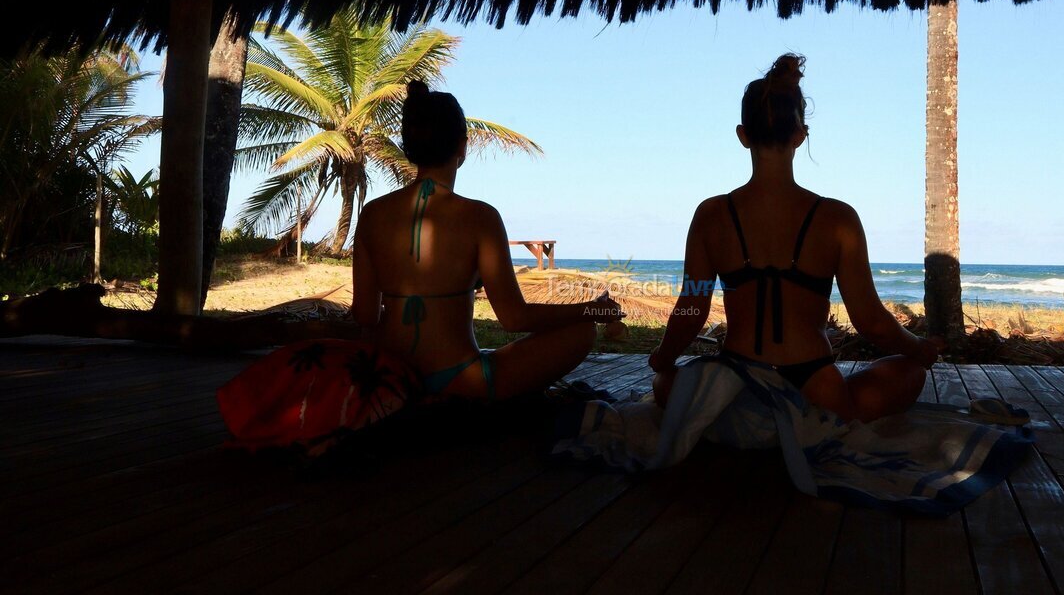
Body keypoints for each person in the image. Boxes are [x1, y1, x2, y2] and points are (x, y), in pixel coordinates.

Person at [217, 81, 624, 454]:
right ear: (462, 148)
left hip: (392, 375)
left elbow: (363, 316)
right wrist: (595, 309)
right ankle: (459, 412)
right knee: (580, 332)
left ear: (408, 147)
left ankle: (415, 411)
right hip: (463, 378)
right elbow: (514, 317)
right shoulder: (480, 217)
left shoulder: (373, 215)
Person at [648, 54, 941, 424]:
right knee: (909, 371)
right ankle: (806, 428)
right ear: (801, 136)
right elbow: (870, 322)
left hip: (737, 383)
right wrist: (920, 349)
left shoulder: (712, 215)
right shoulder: (838, 218)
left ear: (743, 135)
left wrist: (662, 359)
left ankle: (750, 427)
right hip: (815, 384)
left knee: (665, 383)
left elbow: (692, 308)